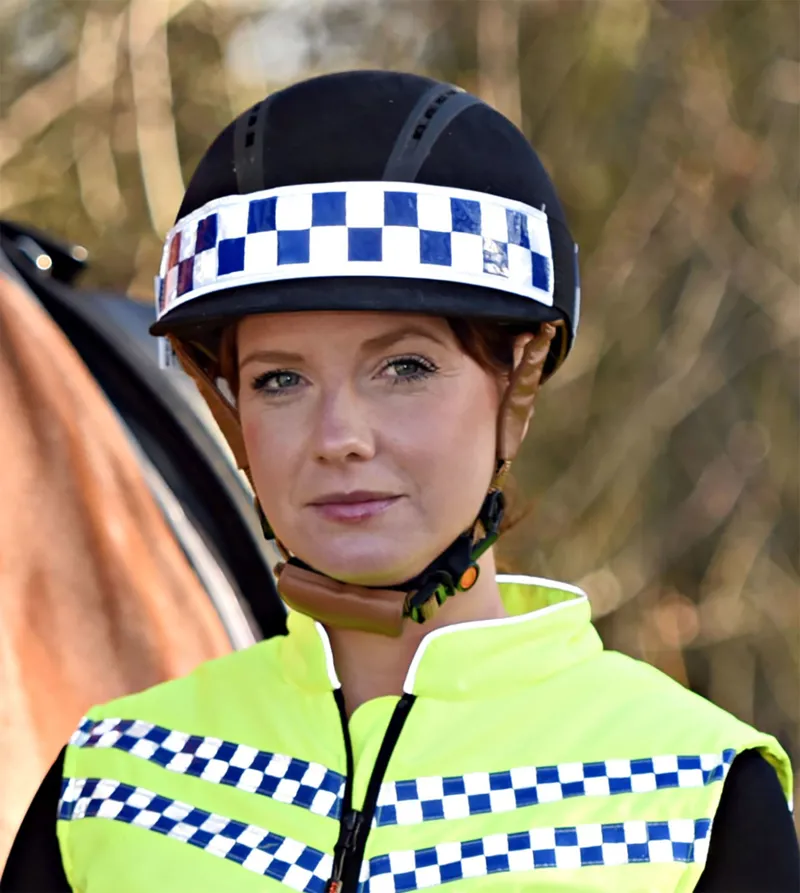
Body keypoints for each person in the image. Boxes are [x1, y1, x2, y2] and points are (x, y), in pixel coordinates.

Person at [2, 70, 797, 893]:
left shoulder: (695, 792)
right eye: (281, 380)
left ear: (515, 383)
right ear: (230, 409)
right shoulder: (107, 789)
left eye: (405, 367)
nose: (339, 436)